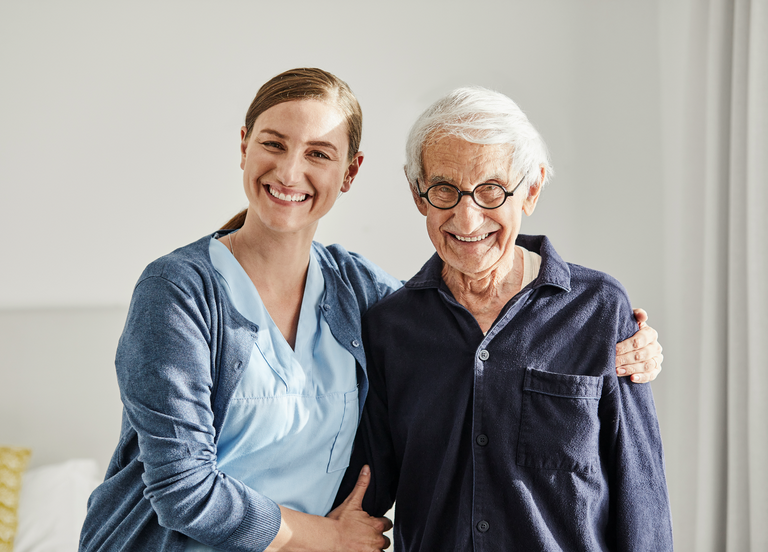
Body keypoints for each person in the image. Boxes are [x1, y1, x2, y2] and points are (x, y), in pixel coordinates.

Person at [80, 69, 663, 551]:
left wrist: (633, 345)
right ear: (244, 146)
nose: (289, 172)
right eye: (274, 144)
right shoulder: (180, 289)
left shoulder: (363, 293)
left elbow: (457, 317)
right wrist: (329, 538)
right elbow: (182, 487)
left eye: (318, 153)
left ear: (350, 172)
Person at [339, 87, 674, 550]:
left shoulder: (599, 309)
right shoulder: (390, 328)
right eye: (444, 190)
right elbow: (363, 489)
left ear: (530, 189)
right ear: (418, 194)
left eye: (491, 190)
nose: (467, 218)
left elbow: (641, 495)